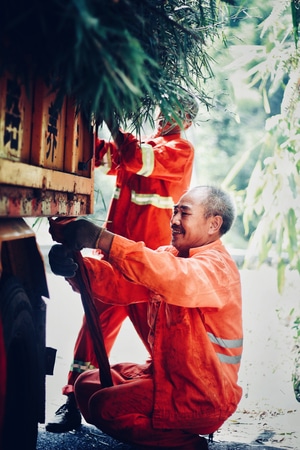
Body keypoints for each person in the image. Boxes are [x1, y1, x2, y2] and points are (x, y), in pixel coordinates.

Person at [46, 95, 199, 432]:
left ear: (187, 120)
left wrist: (111, 117)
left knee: (159, 342)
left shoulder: (179, 152)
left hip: (150, 269)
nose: (161, 117)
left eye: (170, 112)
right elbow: (105, 158)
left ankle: (182, 403)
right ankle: (72, 401)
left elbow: (132, 156)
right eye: (160, 111)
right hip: (116, 262)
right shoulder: (145, 147)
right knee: (92, 331)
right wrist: (80, 128)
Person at [48, 185, 243, 450]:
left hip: (199, 394)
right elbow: (119, 284)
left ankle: (188, 444)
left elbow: (173, 277)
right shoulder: (171, 256)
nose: (173, 220)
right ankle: (159, 428)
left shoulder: (217, 267)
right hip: (165, 376)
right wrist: (76, 268)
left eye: (184, 213)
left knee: (104, 407)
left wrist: (103, 239)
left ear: (213, 224)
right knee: (87, 384)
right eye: (174, 212)